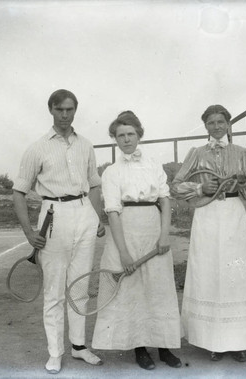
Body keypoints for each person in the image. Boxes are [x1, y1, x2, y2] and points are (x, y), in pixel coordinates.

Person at [13, 89, 106, 374]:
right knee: (54, 291)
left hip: (84, 215)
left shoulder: (86, 145)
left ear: (75, 110)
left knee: (80, 286)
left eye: (69, 109)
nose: (65, 115)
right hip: (53, 216)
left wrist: (97, 217)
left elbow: (93, 184)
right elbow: (18, 192)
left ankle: (78, 346)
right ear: (51, 111)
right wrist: (29, 233)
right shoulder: (37, 148)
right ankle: (55, 352)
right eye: (59, 110)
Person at [171, 105, 246, 362]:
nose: (216, 127)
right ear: (205, 126)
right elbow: (176, 186)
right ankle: (212, 340)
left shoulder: (241, 153)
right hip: (206, 214)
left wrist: (245, 182)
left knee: (235, 273)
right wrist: (201, 187)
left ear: (228, 124)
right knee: (210, 271)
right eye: (211, 122)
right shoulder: (196, 153)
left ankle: (238, 341)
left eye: (221, 122)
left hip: (233, 215)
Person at [91, 111, 182, 370]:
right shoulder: (111, 172)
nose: (126, 139)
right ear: (115, 139)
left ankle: (164, 347)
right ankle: (139, 348)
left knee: (159, 288)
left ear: (139, 135)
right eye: (121, 135)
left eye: (131, 134)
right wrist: (124, 253)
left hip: (154, 230)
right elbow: (112, 212)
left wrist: (164, 235)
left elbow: (165, 200)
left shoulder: (154, 165)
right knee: (131, 291)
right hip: (125, 233)